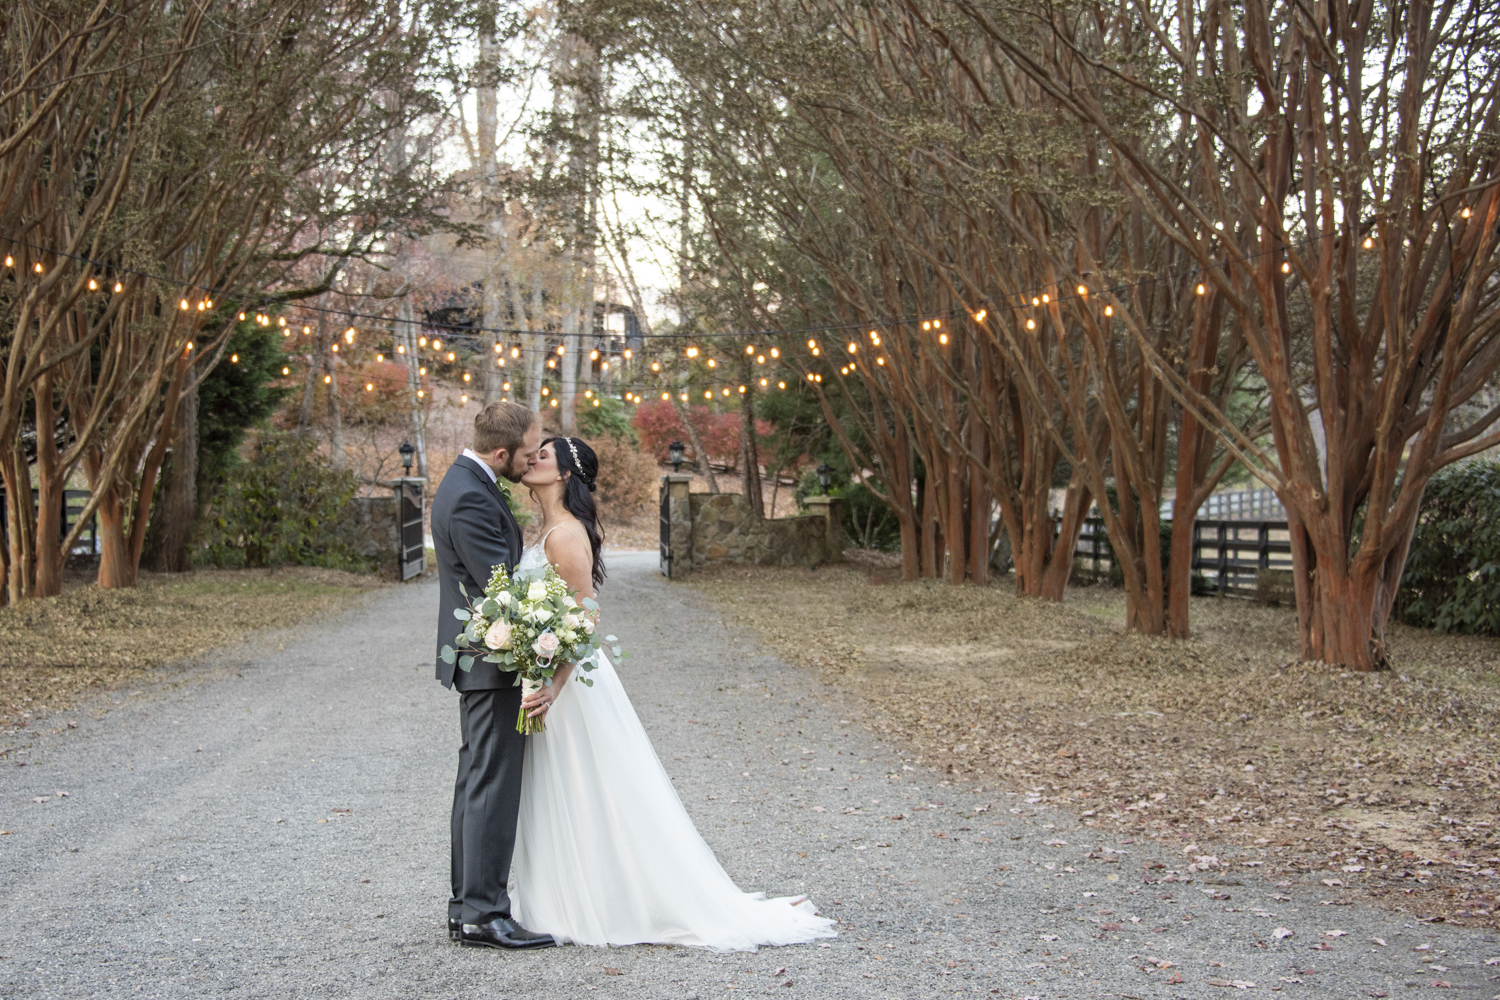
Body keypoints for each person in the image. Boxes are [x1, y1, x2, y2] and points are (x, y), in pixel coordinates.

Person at [509, 435, 837, 951]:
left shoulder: (566, 533)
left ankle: (607, 900)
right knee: (562, 787)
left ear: (566, 474)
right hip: (547, 673)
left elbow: (585, 615)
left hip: (570, 683)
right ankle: (561, 892)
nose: (532, 459)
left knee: (592, 786)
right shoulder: (545, 527)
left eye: (544, 455)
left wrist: (552, 684)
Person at [430, 401, 554, 949]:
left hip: (484, 660)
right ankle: (483, 912)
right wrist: (554, 639)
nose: (532, 460)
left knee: (478, 781)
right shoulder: (469, 498)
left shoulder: (469, 484)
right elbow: (500, 592)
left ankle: (467, 906)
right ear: (501, 452)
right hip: (491, 660)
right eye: (528, 453)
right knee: (490, 785)